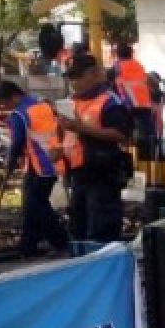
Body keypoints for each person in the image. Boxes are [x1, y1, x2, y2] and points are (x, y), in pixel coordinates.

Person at [60, 53, 133, 244]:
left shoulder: (109, 101)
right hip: (79, 173)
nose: (73, 82)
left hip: (102, 172)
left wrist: (81, 128)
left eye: (77, 77)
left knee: (101, 226)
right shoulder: (73, 101)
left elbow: (121, 134)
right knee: (79, 224)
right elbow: (71, 137)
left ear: (92, 74)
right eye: (71, 77)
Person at [0, 80, 69, 257]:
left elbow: (17, 143)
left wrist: (10, 164)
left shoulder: (19, 114)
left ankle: (61, 241)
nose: (6, 107)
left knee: (37, 205)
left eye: (5, 103)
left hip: (39, 165)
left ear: (14, 96)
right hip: (52, 160)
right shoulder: (42, 105)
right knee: (31, 206)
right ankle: (28, 246)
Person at [110, 43, 155, 157]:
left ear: (118, 55)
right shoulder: (138, 65)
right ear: (131, 54)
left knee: (127, 135)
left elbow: (109, 82)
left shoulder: (118, 66)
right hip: (144, 104)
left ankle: (134, 161)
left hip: (129, 104)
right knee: (145, 135)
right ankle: (147, 160)